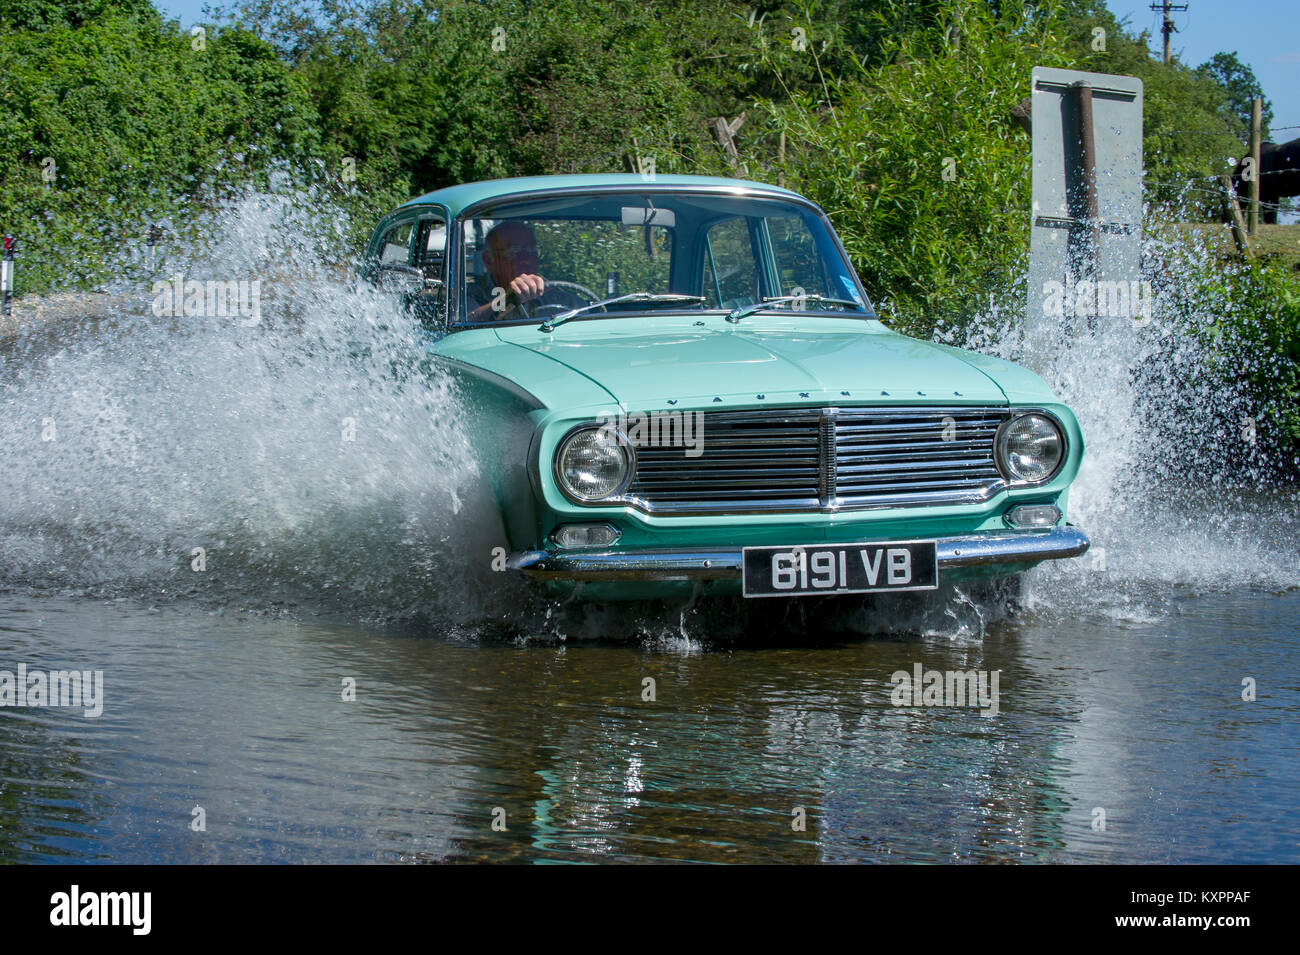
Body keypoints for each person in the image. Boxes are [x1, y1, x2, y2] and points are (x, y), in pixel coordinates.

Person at [464, 220, 585, 322]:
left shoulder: (557, 297)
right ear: (488, 260)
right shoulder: (470, 295)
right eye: (514, 250)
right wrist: (507, 300)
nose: (526, 259)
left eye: (531, 249)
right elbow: (465, 325)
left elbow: (588, 319)